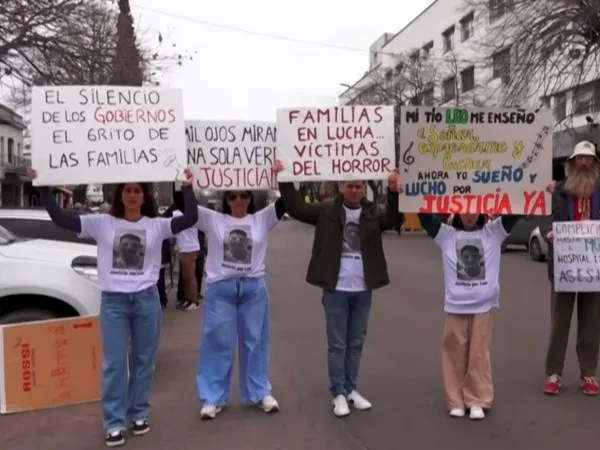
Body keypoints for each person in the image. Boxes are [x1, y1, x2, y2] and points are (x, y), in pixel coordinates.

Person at [31, 168, 198, 447]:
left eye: (137, 190)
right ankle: (113, 421)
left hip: (146, 300)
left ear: (144, 195)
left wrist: (188, 188)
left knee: (145, 361)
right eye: (127, 190)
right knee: (115, 363)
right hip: (114, 303)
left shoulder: (156, 225)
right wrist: (45, 187)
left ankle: (139, 413)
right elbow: (60, 218)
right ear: (119, 194)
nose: (132, 195)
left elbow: (191, 218)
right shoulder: (102, 223)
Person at [275, 159, 402, 417]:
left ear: (364, 188)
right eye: (349, 186)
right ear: (341, 187)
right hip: (336, 290)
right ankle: (338, 394)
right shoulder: (327, 212)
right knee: (337, 344)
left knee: (356, 342)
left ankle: (351, 389)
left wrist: (392, 191)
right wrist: (285, 178)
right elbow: (297, 208)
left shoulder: (370, 214)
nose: (354, 190)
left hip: (363, 289)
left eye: (358, 186)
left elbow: (393, 219)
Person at [542, 141, 600, 396]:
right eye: (579, 158)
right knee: (559, 323)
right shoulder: (559, 190)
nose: (583, 163)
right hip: (564, 268)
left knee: (591, 323)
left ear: (595, 164)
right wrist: (548, 233)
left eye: (588, 159)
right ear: (571, 163)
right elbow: (548, 217)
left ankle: (588, 374)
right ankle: (554, 373)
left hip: (595, 269)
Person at [193, 187, 287, 421]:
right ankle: (212, 397)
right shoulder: (213, 219)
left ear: (250, 198)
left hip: (252, 289)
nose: (238, 200)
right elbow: (185, 207)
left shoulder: (262, 219)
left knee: (255, 342)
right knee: (217, 342)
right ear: (226, 199)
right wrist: (184, 185)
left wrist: (283, 175)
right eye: (232, 196)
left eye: (243, 195)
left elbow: (288, 203)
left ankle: (259, 393)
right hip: (220, 290)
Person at [418, 212, 522, 420]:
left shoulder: (492, 232)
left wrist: (537, 190)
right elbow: (426, 220)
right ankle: (455, 399)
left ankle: (477, 399)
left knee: (479, 353)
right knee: (454, 352)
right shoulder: (446, 235)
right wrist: (407, 192)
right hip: (456, 305)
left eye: (474, 211)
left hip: (483, 306)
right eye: (465, 211)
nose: (469, 216)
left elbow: (514, 213)